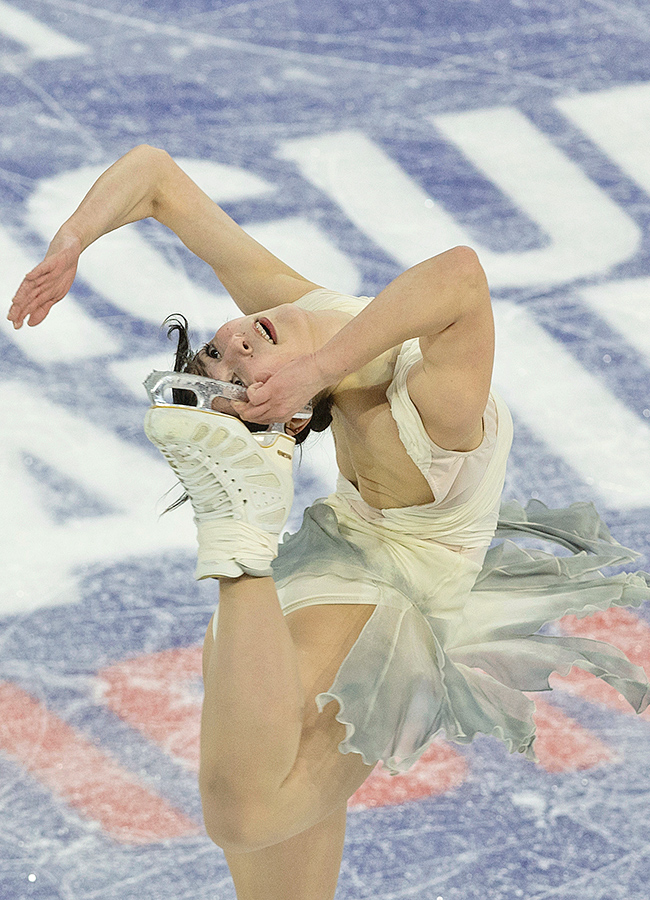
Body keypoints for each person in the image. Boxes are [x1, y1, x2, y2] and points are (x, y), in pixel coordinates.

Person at [8, 145, 650, 900]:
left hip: (385, 589)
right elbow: (459, 284)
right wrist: (315, 371)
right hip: (354, 564)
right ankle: (241, 531)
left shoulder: (303, 324)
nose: (237, 340)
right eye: (237, 372)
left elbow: (153, 178)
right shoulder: (425, 409)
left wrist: (73, 240)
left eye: (217, 347)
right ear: (290, 414)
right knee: (257, 833)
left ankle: (239, 536)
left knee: (252, 823)